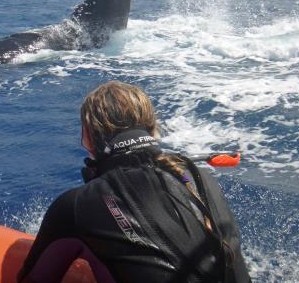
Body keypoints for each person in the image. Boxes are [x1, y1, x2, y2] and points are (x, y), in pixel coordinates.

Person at [18, 81, 251, 283]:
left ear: (88, 137)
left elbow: (33, 279)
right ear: (152, 128)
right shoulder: (201, 178)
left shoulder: (75, 205)